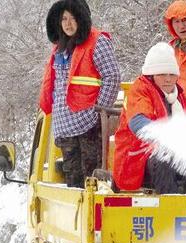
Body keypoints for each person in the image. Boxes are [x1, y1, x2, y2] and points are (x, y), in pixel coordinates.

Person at [38, 0, 120, 188]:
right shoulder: (59, 48)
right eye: (64, 18)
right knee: (73, 179)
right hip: (65, 125)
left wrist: (98, 111)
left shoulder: (98, 42)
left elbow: (112, 76)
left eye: (73, 18)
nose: (68, 23)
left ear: (82, 19)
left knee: (92, 178)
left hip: (89, 124)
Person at [113, 42, 186, 194]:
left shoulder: (178, 96)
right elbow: (138, 123)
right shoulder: (140, 90)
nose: (168, 79)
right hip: (137, 160)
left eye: (172, 74)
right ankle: (172, 207)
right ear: (152, 75)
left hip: (169, 155)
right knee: (164, 158)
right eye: (162, 74)